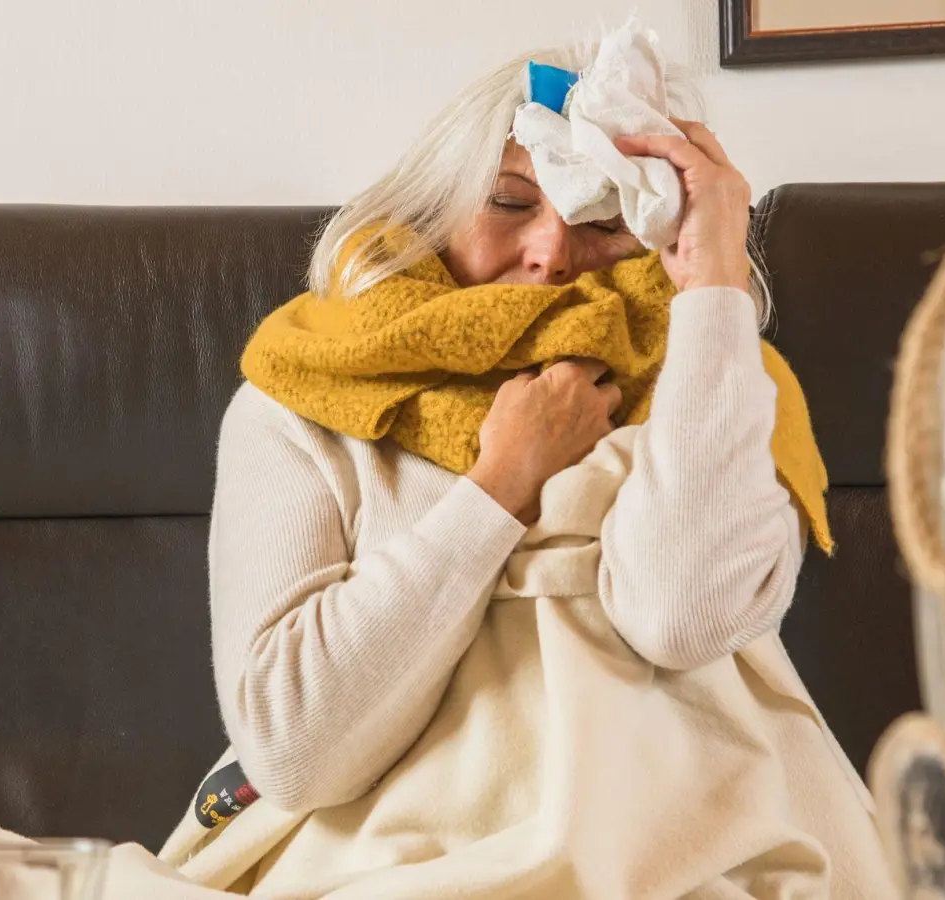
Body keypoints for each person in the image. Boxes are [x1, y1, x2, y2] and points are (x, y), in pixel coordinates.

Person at [199, 31, 890, 898]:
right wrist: (500, 487)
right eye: (507, 202)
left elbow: (684, 617)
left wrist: (716, 280)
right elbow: (293, 749)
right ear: (432, 207)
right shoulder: (304, 394)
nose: (553, 253)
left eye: (603, 216)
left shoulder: (724, 383)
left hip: (682, 853)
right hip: (393, 865)